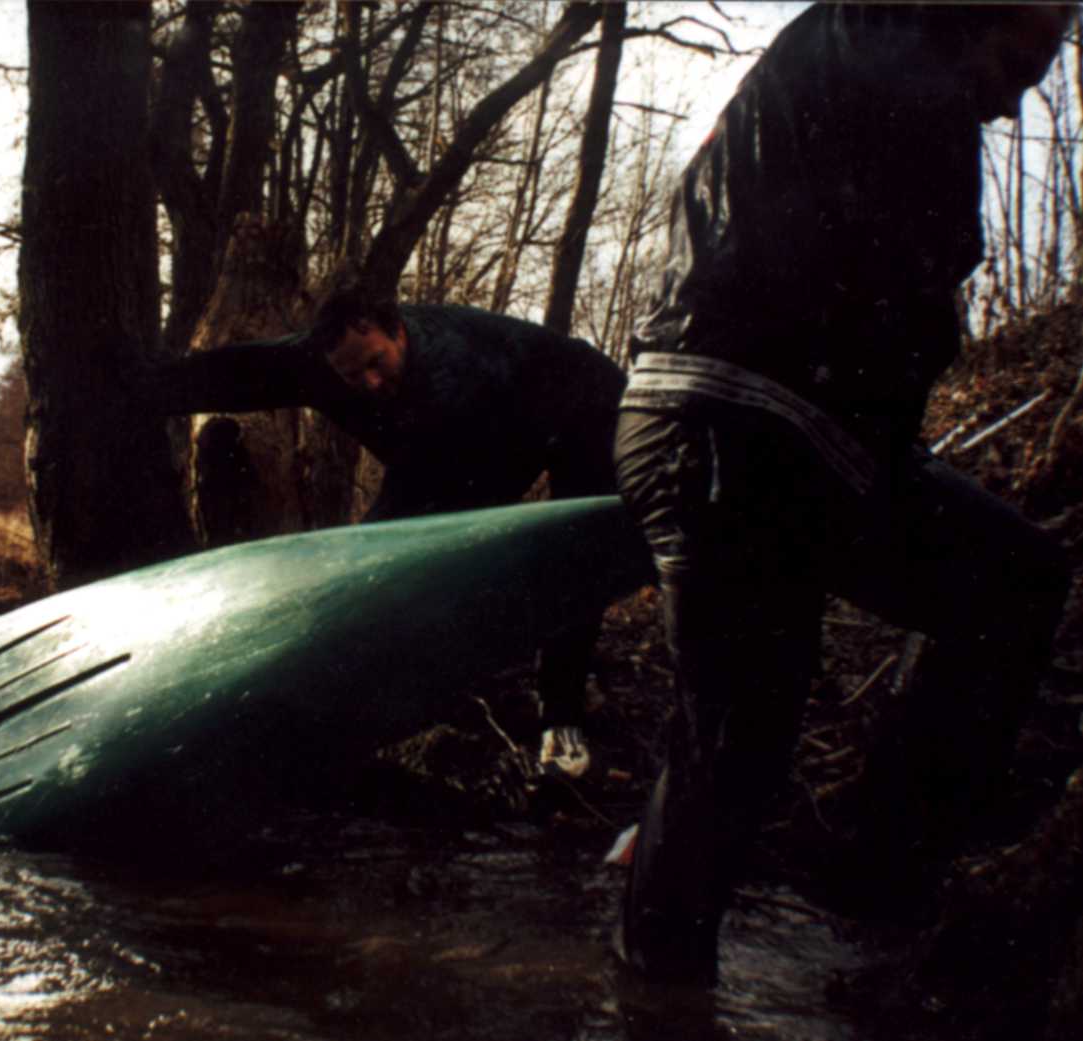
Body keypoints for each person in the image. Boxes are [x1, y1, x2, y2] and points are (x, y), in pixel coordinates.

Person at [611, 2, 1074, 985]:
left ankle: (872, 867)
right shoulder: (889, 39)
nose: (1012, 100)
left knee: (1012, 578)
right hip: (733, 428)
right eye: (1015, 62)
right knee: (730, 741)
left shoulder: (878, 65)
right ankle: (659, 994)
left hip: (790, 444)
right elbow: (915, 280)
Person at [147, 282, 641, 778]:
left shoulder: (455, 371)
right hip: (462, 439)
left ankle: (562, 719)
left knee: (572, 559)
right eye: (351, 374)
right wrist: (145, 391)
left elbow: (467, 501)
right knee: (379, 555)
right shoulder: (324, 358)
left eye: (376, 364)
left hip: (584, 409)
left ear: (398, 333)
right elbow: (242, 372)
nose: (368, 382)